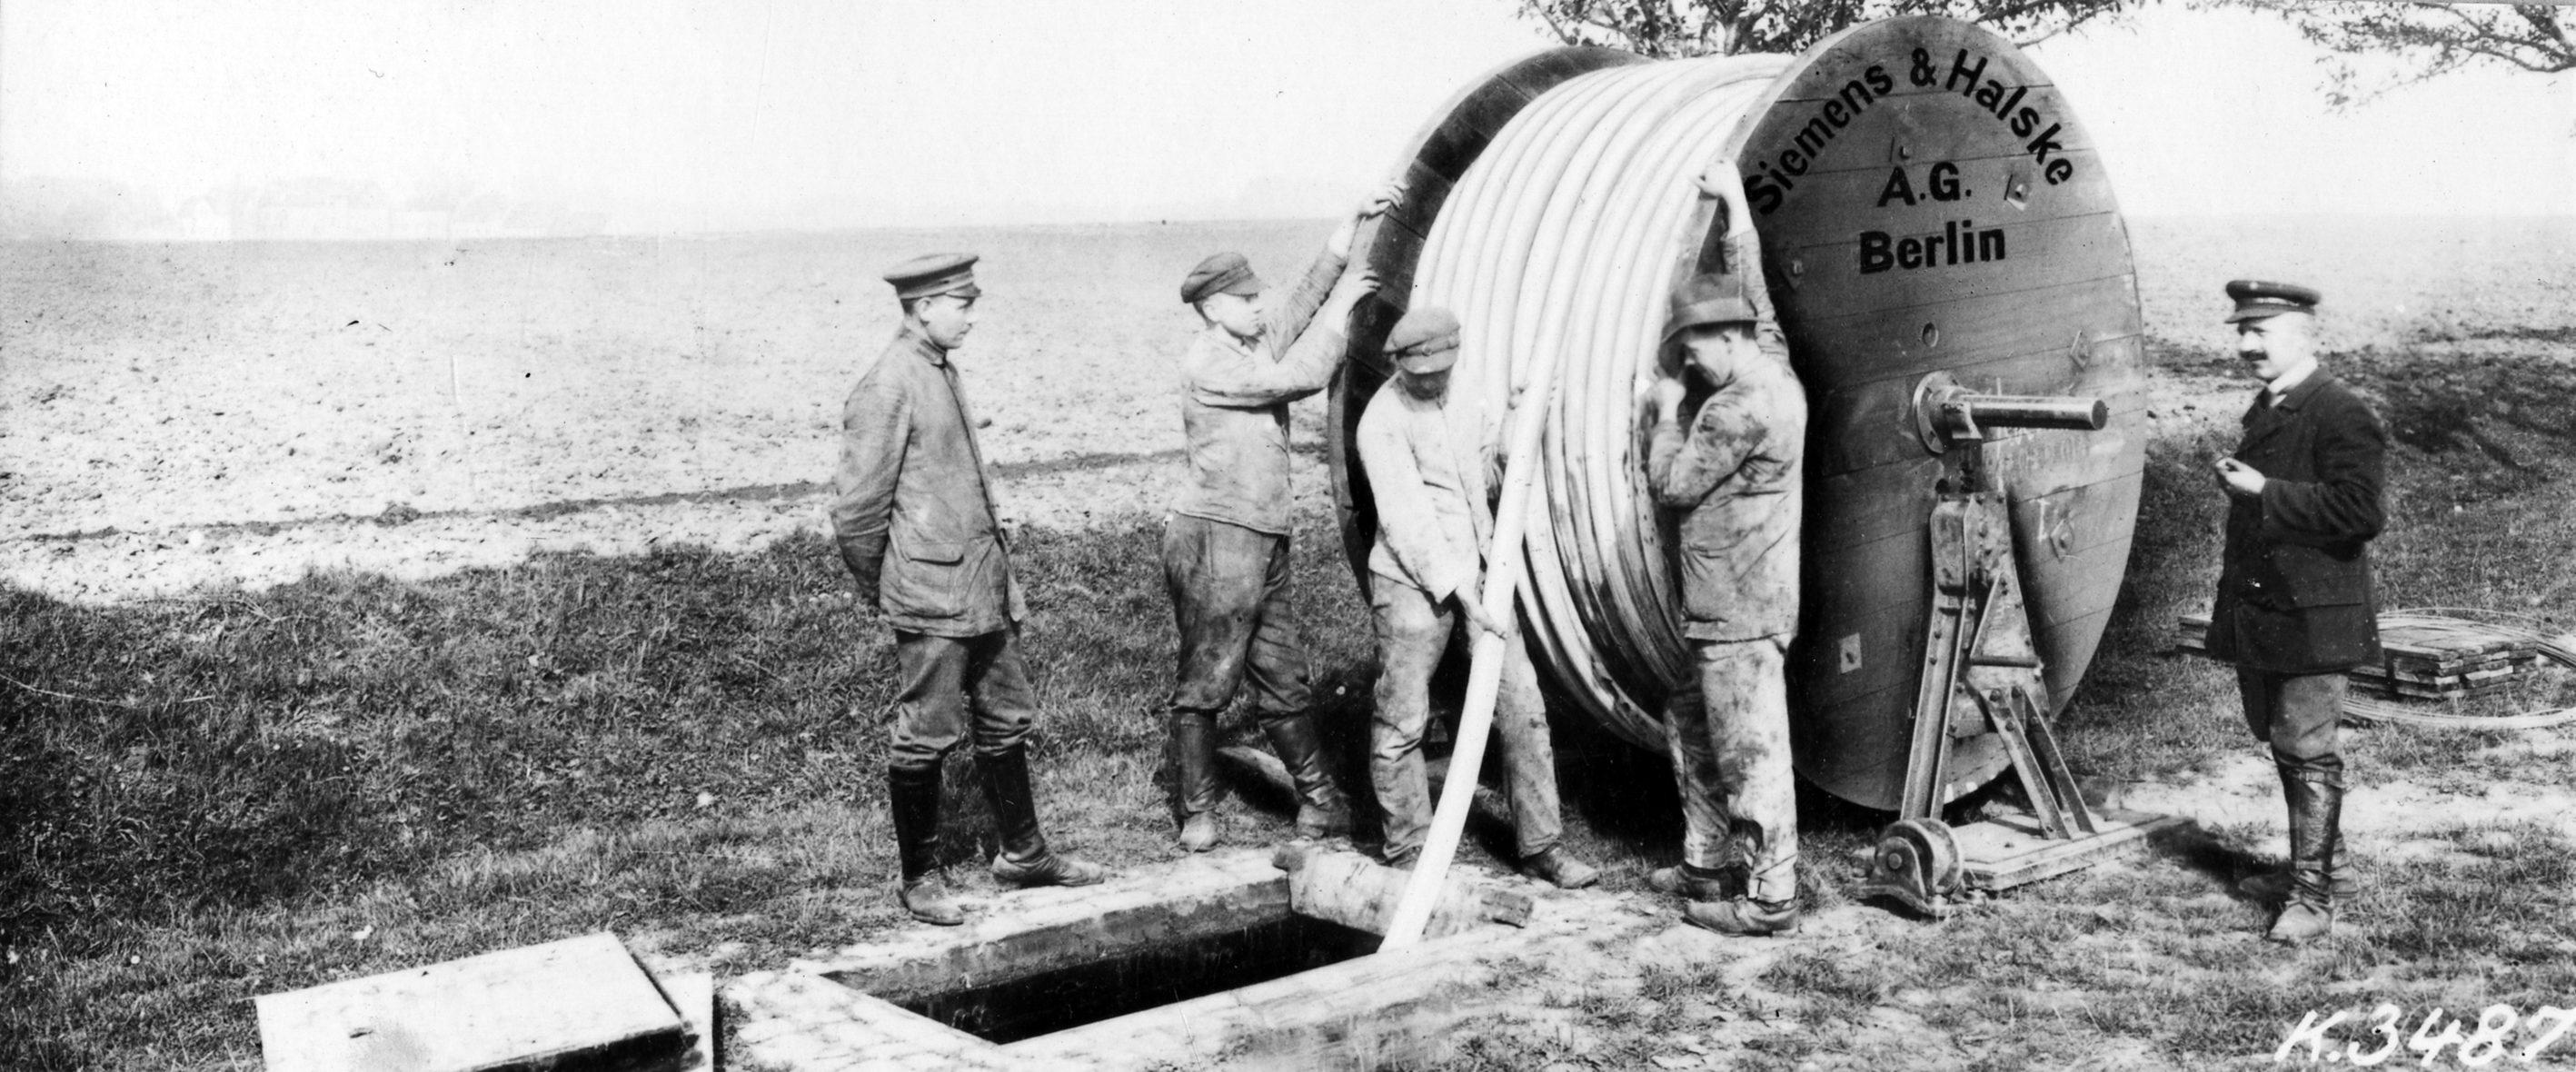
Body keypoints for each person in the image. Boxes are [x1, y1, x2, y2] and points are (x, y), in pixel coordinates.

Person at [831, 253, 1107, 926]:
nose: (972, 318)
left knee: (1007, 717)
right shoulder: (889, 383)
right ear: (924, 307)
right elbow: (856, 513)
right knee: (926, 734)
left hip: (983, 588)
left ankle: (1024, 854)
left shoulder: (939, 369)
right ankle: (919, 878)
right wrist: (893, 586)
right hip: (931, 594)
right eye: (963, 305)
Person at [1159, 185, 1398, 851]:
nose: (1260, 305)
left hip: (1263, 536)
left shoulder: (1249, 342)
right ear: (1212, 308)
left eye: (1257, 295)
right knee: (1208, 677)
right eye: (1245, 299)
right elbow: (1302, 376)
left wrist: (1350, 227)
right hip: (1216, 537)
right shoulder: (1210, 362)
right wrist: (1345, 311)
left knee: (1282, 674)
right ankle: (1198, 813)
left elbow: (1300, 300)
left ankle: (1320, 803)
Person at [1355, 304, 1599, 889]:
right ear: (1400, 365)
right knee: (1403, 716)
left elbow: (1489, 477)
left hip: (1481, 575)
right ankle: (1409, 849)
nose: (1434, 382)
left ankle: (1541, 846)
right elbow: (1408, 521)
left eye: (1443, 370)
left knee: (1522, 704)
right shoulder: (1380, 422)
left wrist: (1515, 424)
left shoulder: (1466, 395)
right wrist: (1461, 592)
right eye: (1422, 375)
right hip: (1412, 581)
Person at [1636, 167, 1806, 937]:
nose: (1689, 364)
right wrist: (1735, 207)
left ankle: (1770, 896)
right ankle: (1705, 861)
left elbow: (1671, 486)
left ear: (1727, 339)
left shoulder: (1732, 410)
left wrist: (1666, 414)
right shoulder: (1772, 363)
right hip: (1729, 606)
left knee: (1749, 750)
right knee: (1691, 721)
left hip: (1737, 610)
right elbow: (1757, 296)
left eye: (1695, 348)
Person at [2202, 279, 2385, 945]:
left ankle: (2311, 899)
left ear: (2305, 336)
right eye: (2242, 332)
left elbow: (2361, 513)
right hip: (2268, 610)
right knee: (2283, 740)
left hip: (2315, 615)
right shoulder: (2272, 404)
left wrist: (2264, 490)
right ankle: (2330, 868)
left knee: (2306, 749)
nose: (2247, 345)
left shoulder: (2339, 411)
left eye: (2262, 332)